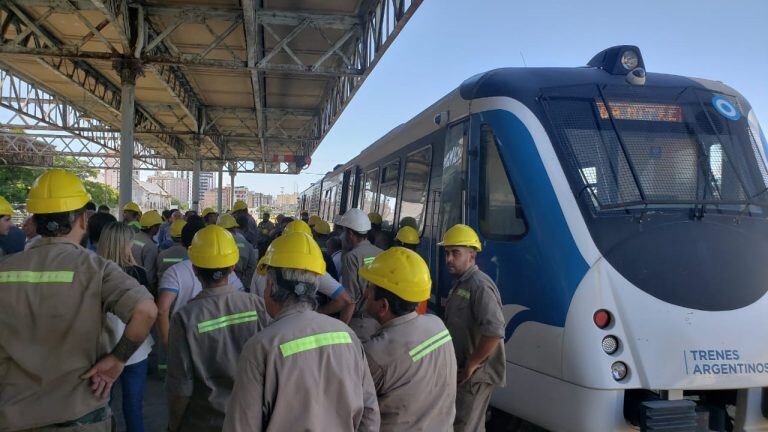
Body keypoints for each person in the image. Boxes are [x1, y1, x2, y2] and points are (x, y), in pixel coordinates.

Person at [0, 169, 156, 430]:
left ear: (34, 220)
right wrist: (118, 358)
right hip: (81, 418)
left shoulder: (5, 269)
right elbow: (146, 310)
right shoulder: (98, 269)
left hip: (14, 418)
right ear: (83, 219)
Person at [223, 232, 380, 431]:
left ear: (270, 287)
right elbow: (369, 413)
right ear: (315, 287)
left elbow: (241, 427)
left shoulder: (260, 347)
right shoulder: (347, 336)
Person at [167, 225, 270, 431]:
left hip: (205, 421)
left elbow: (181, 388)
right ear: (232, 267)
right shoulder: (257, 305)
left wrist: (173, 425)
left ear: (194, 268)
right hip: (249, 419)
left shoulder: (185, 318)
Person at [361, 247, 457, 431]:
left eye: (369, 288)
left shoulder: (375, 354)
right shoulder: (437, 325)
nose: (365, 293)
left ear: (383, 306)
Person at [440, 224, 506, 432]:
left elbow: (495, 331)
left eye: (455, 253)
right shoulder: (462, 283)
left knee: (465, 426)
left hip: (476, 373)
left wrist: (472, 363)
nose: (449, 258)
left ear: (471, 255)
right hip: (466, 369)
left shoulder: (480, 286)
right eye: (447, 253)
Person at [97, 222, 155, 432]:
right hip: (136, 350)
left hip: (103, 350)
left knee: (102, 406)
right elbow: (150, 309)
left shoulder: (94, 272)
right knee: (133, 407)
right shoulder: (137, 273)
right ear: (124, 245)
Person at [156, 217, 244, 348]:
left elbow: (162, 310)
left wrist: (168, 343)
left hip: (184, 339)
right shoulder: (254, 303)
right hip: (222, 340)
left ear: (195, 269)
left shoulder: (174, 272)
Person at [338, 208, 383, 342]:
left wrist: (341, 329)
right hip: (379, 321)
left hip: (360, 324)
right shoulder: (381, 252)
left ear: (350, 234)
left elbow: (350, 299)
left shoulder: (352, 257)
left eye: (344, 232)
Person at [218, 214, 257, 289]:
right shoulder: (246, 243)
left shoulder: (214, 244)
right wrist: (244, 282)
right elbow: (252, 266)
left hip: (218, 281)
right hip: (241, 280)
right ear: (234, 228)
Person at [132, 209, 162, 294]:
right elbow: (149, 273)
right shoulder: (151, 246)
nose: (159, 229)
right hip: (141, 287)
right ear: (153, 227)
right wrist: (153, 290)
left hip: (129, 281)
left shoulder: (133, 236)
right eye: (158, 226)